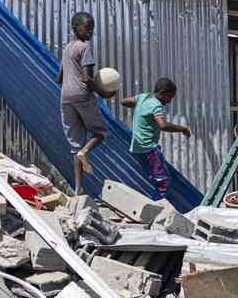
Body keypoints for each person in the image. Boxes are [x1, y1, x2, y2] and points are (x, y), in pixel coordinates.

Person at [56, 11, 111, 194]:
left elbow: (59, 77)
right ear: (75, 28)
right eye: (87, 27)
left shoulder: (67, 49)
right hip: (81, 95)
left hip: (65, 98)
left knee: (75, 145)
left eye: (92, 28)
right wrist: (103, 92)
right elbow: (87, 79)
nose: (90, 31)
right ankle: (85, 152)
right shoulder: (85, 47)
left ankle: (78, 190)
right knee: (101, 132)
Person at [121, 78, 191, 200]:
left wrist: (139, 106)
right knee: (163, 181)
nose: (169, 101)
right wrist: (183, 129)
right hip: (149, 149)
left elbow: (123, 102)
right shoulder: (157, 106)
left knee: (155, 178)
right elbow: (163, 125)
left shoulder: (143, 98)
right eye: (170, 97)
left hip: (137, 149)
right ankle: (156, 207)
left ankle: (154, 204)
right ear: (163, 92)